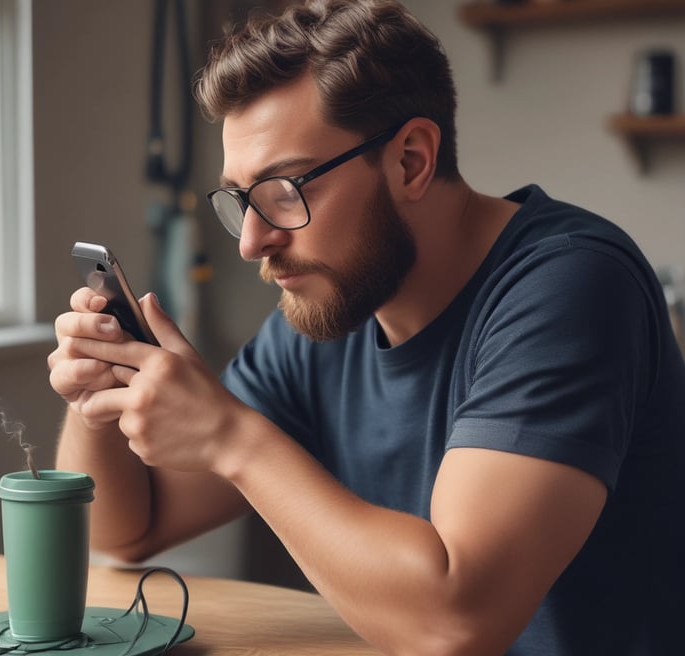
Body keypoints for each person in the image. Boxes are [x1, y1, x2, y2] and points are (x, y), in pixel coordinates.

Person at [48, 1, 685, 654]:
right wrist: (99, 391)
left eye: (284, 189)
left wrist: (230, 437)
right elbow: (128, 529)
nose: (252, 242)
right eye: (241, 199)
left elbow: (455, 623)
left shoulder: (572, 285)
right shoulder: (331, 313)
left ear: (411, 161)